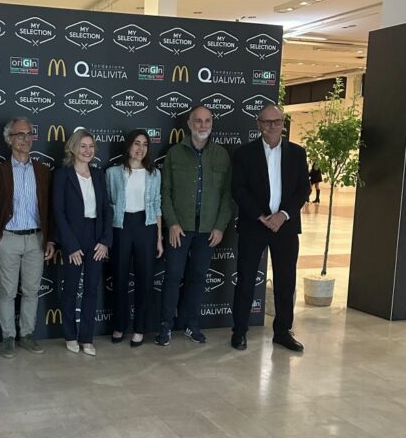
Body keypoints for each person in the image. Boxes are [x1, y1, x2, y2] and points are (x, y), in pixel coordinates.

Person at [230, 104, 310, 352]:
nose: (272, 126)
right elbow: (238, 189)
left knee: (286, 281)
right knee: (246, 279)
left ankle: (283, 332)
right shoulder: (244, 153)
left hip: (285, 227)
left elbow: (303, 189)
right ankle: (239, 331)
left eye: (277, 121)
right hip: (254, 225)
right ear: (258, 124)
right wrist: (261, 216)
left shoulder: (297, 153)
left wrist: (283, 215)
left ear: (283, 123)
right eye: (266, 121)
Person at [155, 106, 233, 346]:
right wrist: (172, 223)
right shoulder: (174, 153)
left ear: (212, 123)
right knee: (173, 276)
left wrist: (220, 226)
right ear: (189, 124)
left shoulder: (221, 155)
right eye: (198, 121)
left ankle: (191, 325)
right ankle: (165, 326)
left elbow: (227, 195)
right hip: (180, 228)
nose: (203, 125)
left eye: (207, 120)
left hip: (208, 230)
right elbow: (165, 192)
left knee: (198, 278)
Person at [0, 117, 55, 359]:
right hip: (8, 240)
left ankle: (26, 334)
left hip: (36, 240)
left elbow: (50, 209)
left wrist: (50, 239)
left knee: (32, 291)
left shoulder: (43, 171)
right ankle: (8, 337)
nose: (26, 138)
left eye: (29, 133)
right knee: (7, 292)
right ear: (9, 139)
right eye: (20, 134)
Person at [53, 129, 112, 356]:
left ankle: (87, 338)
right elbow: (58, 212)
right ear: (73, 148)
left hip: (95, 237)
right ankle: (70, 335)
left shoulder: (98, 174)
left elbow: (106, 209)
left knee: (91, 289)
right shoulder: (62, 175)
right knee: (70, 288)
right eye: (83, 146)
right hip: (73, 238)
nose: (88, 150)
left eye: (91, 146)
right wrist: (70, 245)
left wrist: (105, 241)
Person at [106, 129, 163, 348]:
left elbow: (156, 205)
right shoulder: (113, 173)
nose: (141, 148)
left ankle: (140, 329)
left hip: (146, 226)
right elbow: (108, 205)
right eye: (137, 143)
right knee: (119, 278)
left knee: (145, 280)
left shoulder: (154, 174)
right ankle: (119, 326)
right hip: (121, 226)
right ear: (129, 145)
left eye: (145, 144)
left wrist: (159, 238)